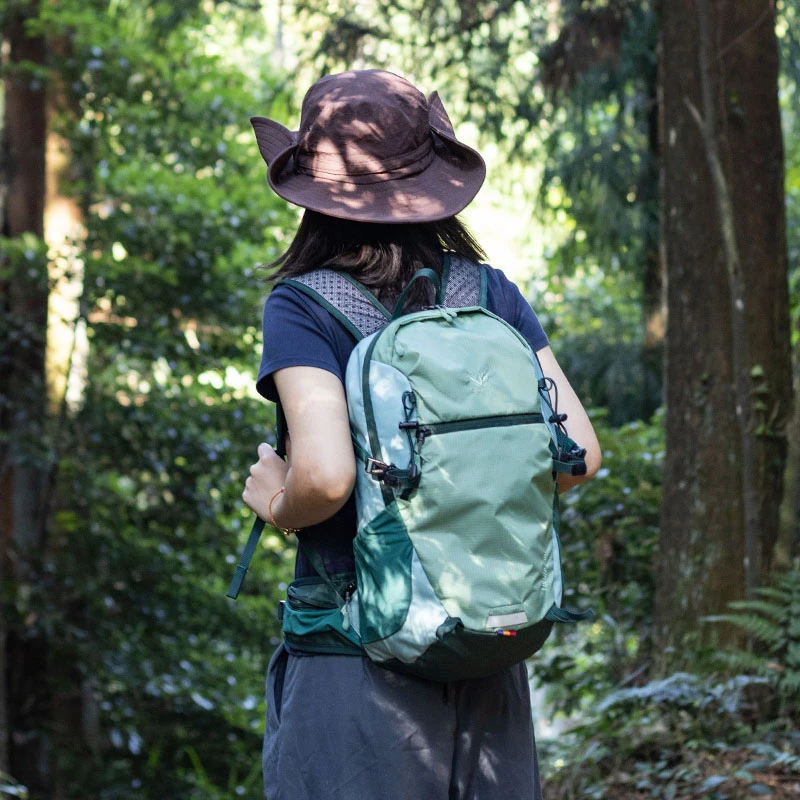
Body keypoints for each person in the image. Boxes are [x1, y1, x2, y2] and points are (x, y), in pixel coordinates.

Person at [242, 69, 601, 800]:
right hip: (487, 644)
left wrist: (277, 502)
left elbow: (326, 478)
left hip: (357, 656)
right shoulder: (490, 294)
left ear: (314, 192)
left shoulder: (303, 306)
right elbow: (578, 456)